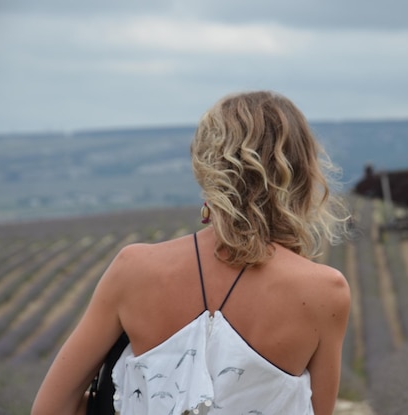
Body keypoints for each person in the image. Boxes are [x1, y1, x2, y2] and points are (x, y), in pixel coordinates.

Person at [32, 90, 351, 415]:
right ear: (302, 172)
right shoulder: (325, 292)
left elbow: (49, 409)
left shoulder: (134, 268)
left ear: (207, 166)